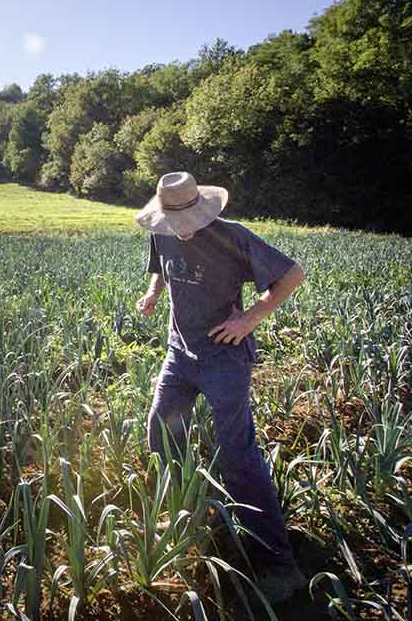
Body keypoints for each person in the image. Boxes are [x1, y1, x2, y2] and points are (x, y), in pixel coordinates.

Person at [134, 171, 308, 605]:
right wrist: (153, 293)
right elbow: (161, 269)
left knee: (238, 455)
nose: (181, 228)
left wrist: (248, 319)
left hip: (223, 358)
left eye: (188, 219)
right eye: (174, 221)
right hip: (180, 354)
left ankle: (279, 563)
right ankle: (181, 512)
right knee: (161, 429)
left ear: (203, 209)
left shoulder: (233, 237)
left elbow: (292, 275)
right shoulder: (164, 230)